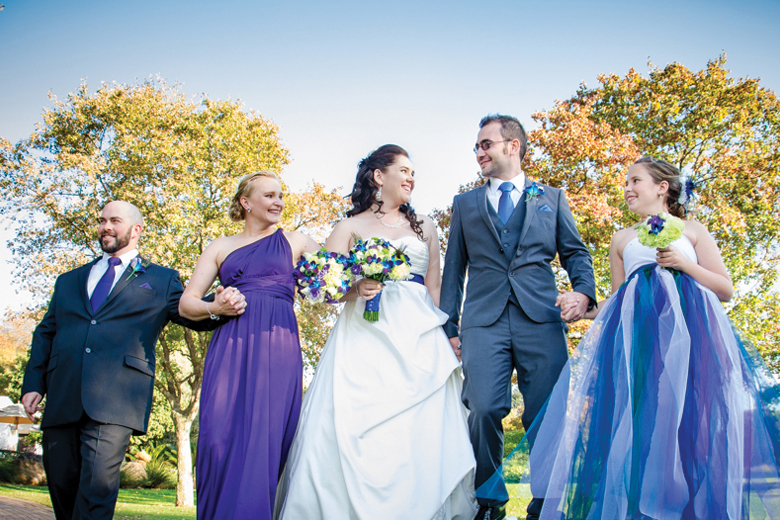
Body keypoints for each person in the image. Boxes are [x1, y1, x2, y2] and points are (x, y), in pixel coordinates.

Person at [519, 156, 780, 518]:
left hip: (692, 340)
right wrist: (582, 305)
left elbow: (725, 289)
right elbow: (617, 297)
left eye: (635, 181)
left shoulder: (692, 231)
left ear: (662, 188)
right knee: (642, 419)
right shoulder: (621, 239)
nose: (627, 189)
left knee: (691, 422)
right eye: (626, 182)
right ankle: (639, 510)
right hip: (640, 343)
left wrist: (684, 263)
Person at [274, 145, 477, 520]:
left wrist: (450, 336)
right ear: (379, 177)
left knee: (418, 425)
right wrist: (356, 288)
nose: (411, 178)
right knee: (356, 419)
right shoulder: (348, 227)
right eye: (403, 170)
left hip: (419, 338)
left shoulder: (426, 227)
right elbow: (325, 288)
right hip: (363, 338)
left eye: (413, 172)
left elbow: (434, 290)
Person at [21, 200, 246, 520]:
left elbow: (189, 314)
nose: (105, 227)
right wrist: (34, 385)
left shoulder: (161, 279)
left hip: (117, 399)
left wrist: (217, 305)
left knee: (96, 493)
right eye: (101, 221)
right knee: (62, 486)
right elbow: (46, 333)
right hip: (62, 395)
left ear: (136, 230)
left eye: (114, 220)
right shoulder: (69, 281)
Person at [440, 114, 597, 520]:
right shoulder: (465, 204)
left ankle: (545, 503)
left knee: (546, 412)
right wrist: (450, 327)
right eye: (477, 146)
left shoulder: (552, 198)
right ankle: (490, 503)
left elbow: (576, 252)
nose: (479, 152)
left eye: (486, 144)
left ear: (513, 146)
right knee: (485, 408)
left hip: (541, 319)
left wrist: (582, 291)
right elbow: (454, 269)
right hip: (483, 321)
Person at [179, 171, 319, 520]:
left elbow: (331, 283)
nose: (278, 202)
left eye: (280, 195)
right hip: (230, 347)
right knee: (218, 437)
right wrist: (216, 307)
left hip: (277, 347)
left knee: (266, 439)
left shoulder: (297, 242)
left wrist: (365, 279)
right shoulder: (220, 246)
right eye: (269, 195)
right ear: (246, 203)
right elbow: (187, 304)